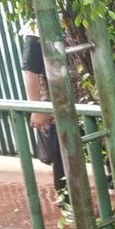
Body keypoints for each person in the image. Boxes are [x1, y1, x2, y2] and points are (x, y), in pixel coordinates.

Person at [19, 22, 67, 206]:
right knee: (63, 155)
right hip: (56, 104)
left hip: (86, 99)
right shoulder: (36, 28)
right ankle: (69, 204)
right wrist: (37, 108)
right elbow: (30, 72)